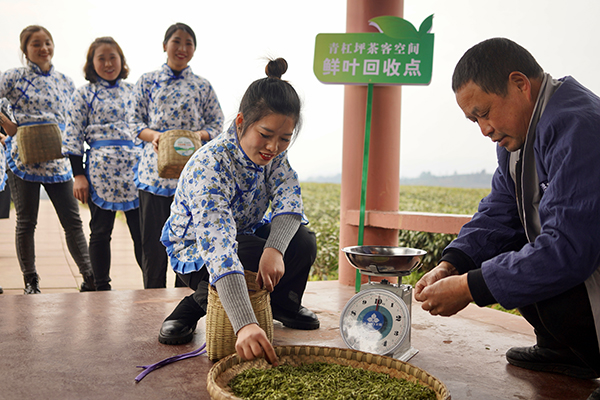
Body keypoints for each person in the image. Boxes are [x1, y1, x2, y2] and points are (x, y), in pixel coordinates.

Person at [414, 37, 600, 397]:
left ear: (520, 84)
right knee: (511, 240)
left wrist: (470, 288)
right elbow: (499, 214)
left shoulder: (580, 127)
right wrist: (452, 265)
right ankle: (563, 350)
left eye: (484, 112)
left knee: (546, 255)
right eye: (474, 120)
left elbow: (570, 249)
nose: (484, 129)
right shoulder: (516, 139)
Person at [159, 58, 319, 364]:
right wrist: (246, 324)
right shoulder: (210, 165)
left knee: (302, 241)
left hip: (245, 234)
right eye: (266, 134)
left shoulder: (274, 157)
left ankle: (283, 304)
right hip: (198, 247)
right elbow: (219, 245)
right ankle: (194, 305)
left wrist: (274, 249)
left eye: (285, 138)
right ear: (241, 122)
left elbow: (289, 200)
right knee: (246, 254)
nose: (273, 147)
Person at [0, 25, 95, 294]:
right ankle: (31, 280)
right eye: (36, 44)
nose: (43, 48)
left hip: (58, 161)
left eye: (48, 43)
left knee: (72, 220)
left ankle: (89, 277)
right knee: (27, 222)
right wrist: (5, 125)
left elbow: (75, 118)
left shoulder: (65, 81)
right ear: (25, 49)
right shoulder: (13, 76)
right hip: (23, 160)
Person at [130, 22, 224, 289]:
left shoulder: (202, 86)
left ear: (194, 50)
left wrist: (198, 137)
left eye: (189, 43)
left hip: (192, 177)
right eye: (177, 41)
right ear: (164, 46)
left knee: (188, 240)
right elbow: (133, 121)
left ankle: (184, 304)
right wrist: (155, 137)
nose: (182, 48)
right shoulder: (147, 81)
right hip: (153, 175)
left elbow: (217, 124)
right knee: (153, 242)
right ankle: (152, 297)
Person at [63, 37, 142, 291]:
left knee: (142, 234)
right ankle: (100, 286)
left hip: (135, 171)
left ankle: (153, 285)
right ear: (91, 63)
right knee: (99, 232)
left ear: (121, 60)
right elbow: (73, 133)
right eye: (102, 58)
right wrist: (78, 175)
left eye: (113, 57)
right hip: (100, 172)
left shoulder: (134, 91)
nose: (108, 63)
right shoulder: (83, 94)